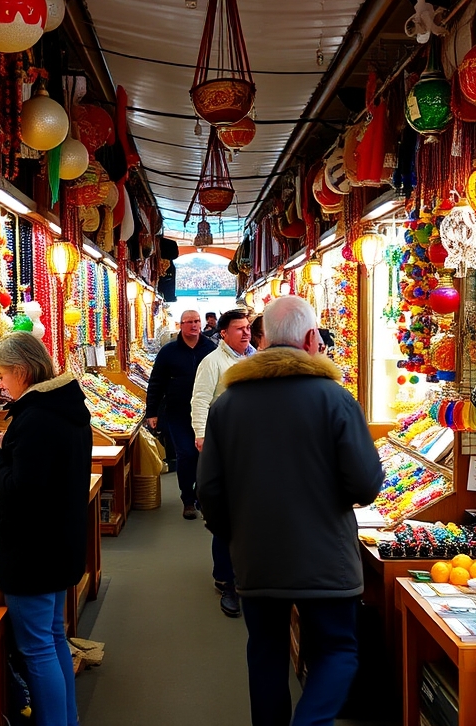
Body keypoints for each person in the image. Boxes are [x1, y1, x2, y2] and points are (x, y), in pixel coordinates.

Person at [198, 296, 383, 726]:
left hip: (258, 557)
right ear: (310, 338)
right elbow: (366, 484)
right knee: (337, 651)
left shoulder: (228, 404)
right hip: (325, 558)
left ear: (262, 340)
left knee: (265, 653)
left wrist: (235, 533)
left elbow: (209, 489)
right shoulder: (335, 400)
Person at [0, 333, 90, 726]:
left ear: (21, 371)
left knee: (38, 649)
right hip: (57, 544)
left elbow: (21, 492)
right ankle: (66, 719)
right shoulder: (61, 407)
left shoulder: (35, 417)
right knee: (53, 638)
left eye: (1, 375)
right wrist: (11, 449)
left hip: (32, 552)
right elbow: (45, 470)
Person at [190, 308, 254, 616]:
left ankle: (238, 575)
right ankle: (226, 578)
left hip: (250, 450)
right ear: (223, 334)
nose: (245, 333)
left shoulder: (254, 360)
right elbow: (200, 399)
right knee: (225, 516)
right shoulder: (212, 362)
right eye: (239, 329)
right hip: (223, 448)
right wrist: (201, 436)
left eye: (247, 328)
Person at [144, 310, 217, 519]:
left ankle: (200, 496)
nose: (194, 325)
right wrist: (152, 411)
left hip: (205, 413)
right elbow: (156, 383)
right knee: (186, 453)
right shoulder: (168, 352)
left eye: (196, 321)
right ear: (181, 325)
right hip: (177, 412)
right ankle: (188, 500)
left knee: (205, 456)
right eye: (189, 322)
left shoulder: (211, 349)